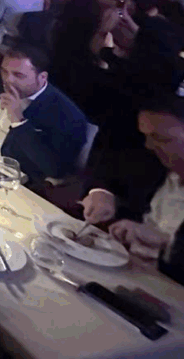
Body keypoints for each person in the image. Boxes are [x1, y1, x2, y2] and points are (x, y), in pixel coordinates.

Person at [78, 98, 184, 285]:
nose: (148, 145)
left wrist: (167, 244)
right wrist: (102, 193)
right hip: (122, 270)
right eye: (146, 136)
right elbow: (108, 171)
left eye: (161, 138)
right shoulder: (155, 164)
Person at [0, 44, 87, 183]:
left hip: (9, 178)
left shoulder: (66, 114)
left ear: (42, 77)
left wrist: (18, 121)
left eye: (18, 75)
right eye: (4, 71)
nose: (8, 80)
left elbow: (55, 168)